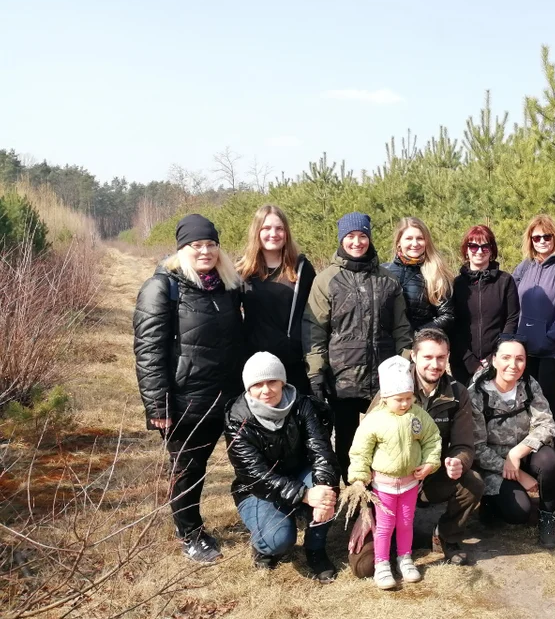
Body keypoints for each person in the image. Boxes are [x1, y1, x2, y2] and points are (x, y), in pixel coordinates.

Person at [133, 214, 244, 562]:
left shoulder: (227, 285)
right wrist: (158, 408)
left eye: (211, 244)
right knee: (188, 470)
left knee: (244, 461)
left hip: (228, 396)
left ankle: (260, 522)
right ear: (182, 249)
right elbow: (148, 351)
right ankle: (190, 533)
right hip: (186, 399)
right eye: (197, 245)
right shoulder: (163, 287)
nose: (205, 251)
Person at [348, 328, 485, 578]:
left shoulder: (458, 393)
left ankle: (446, 536)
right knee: (364, 567)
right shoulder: (392, 386)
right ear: (414, 356)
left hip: (431, 475)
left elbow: (464, 445)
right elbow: (363, 449)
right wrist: (365, 509)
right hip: (386, 483)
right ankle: (392, 538)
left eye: (441, 357)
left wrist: (459, 462)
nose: (435, 364)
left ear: (448, 357)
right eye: (428, 357)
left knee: (473, 483)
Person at [303, 212, 413, 477]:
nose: (357, 242)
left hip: (383, 377)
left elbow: (402, 328)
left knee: (386, 439)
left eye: (362, 236)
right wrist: (316, 372)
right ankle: (355, 497)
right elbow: (314, 329)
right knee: (348, 443)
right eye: (350, 236)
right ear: (342, 239)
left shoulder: (388, 279)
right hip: (342, 380)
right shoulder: (326, 280)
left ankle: (384, 498)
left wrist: (406, 363)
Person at [224, 352, 340, 581]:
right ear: (248, 388)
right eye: (258, 384)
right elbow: (255, 476)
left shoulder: (302, 405)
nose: (266, 390)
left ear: (282, 382)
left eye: (272, 382)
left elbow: (322, 452)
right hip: (257, 489)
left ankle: (315, 549)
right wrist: (305, 495)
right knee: (277, 541)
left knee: (328, 490)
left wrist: (324, 490)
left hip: (300, 473)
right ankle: (263, 545)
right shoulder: (237, 419)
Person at [347, 356, 442, 590]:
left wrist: (430, 462)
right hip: (383, 486)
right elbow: (360, 451)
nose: (404, 404)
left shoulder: (418, 416)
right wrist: (359, 478)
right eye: (399, 399)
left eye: (409, 398)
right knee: (385, 525)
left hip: (410, 484)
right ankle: (381, 563)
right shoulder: (374, 420)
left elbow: (432, 439)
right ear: (386, 398)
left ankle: (405, 557)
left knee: (406, 521)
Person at [470, 337, 555, 549]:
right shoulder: (476, 394)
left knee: (550, 461)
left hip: (522, 452)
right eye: (506, 358)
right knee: (519, 513)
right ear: (494, 360)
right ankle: (489, 503)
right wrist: (517, 473)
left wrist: (517, 454)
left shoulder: (529, 385)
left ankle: (548, 517)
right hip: (492, 464)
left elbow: (547, 425)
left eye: (520, 359)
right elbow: (477, 449)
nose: (513, 365)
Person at [512, 214, 555, 450]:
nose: (541, 241)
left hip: (553, 347)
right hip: (525, 347)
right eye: (536, 237)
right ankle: (534, 444)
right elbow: (511, 300)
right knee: (527, 396)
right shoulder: (524, 266)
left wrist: (554, 335)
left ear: (554, 237)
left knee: (548, 394)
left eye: (546, 236)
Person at [237, 205, 316, 394]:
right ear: (257, 231)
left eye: (279, 228)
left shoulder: (302, 268)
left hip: (295, 364)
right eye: (266, 228)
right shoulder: (243, 271)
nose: (274, 233)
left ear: (286, 232)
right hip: (258, 367)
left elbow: (315, 317)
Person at [450, 225, 520, 385]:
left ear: (492, 249)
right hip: (463, 363)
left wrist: (495, 356)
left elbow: (511, 320)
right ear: (466, 250)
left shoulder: (505, 281)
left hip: (498, 363)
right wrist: (471, 361)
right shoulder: (457, 284)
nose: (479, 251)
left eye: (485, 246)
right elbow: (454, 326)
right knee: (465, 409)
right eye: (473, 246)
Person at [383, 217, 455, 334]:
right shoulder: (383, 271)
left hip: (417, 346)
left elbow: (447, 316)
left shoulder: (436, 273)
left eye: (420, 238)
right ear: (399, 242)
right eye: (409, 238)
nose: (415, 243)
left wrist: (418, 334)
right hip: (386, 346)